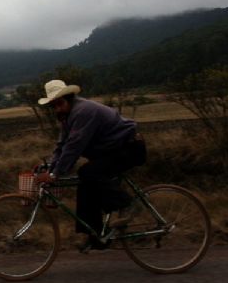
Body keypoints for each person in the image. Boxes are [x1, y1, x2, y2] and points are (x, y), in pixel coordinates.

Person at [33, 80, 146, 252]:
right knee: (85, 182)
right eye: (53, 106)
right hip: (111, 151)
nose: (57, 109)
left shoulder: (83, 112)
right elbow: (62, 146)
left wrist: (55, 174)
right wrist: (49, 167)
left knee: (89, 172)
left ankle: (129, 205)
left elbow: (74, 146)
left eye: (59, 104)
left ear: (69, 98)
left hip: (128, 148)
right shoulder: (67, 117)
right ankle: (95, 235)